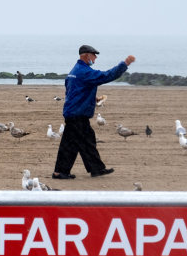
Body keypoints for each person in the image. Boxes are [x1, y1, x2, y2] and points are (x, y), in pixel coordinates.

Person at [52, 44, 136, 179]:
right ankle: (63, 172)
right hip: (77, 114)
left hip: (74, 113)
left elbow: (71, 89)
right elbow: (106, 76)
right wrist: (125, 64)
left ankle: (93, 169)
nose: (95, 58)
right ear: (86, 55)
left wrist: (92, 98)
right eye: (94, 55)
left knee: (81, 142)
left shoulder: (75, 70)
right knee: (74, 144)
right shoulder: (84, 72)